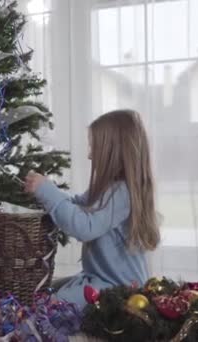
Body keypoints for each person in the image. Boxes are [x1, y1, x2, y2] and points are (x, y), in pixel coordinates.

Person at [24, 109, 160, 309]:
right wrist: (45, 191)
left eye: (94, 148)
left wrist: (47, 191)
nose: (89, 155)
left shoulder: (122, 193)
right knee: (46, 292)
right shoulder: (110, 188)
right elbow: (76, 204)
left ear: (113, 152)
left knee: (53, 306)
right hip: (99, 279)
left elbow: (85, 228)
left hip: (120, 288)